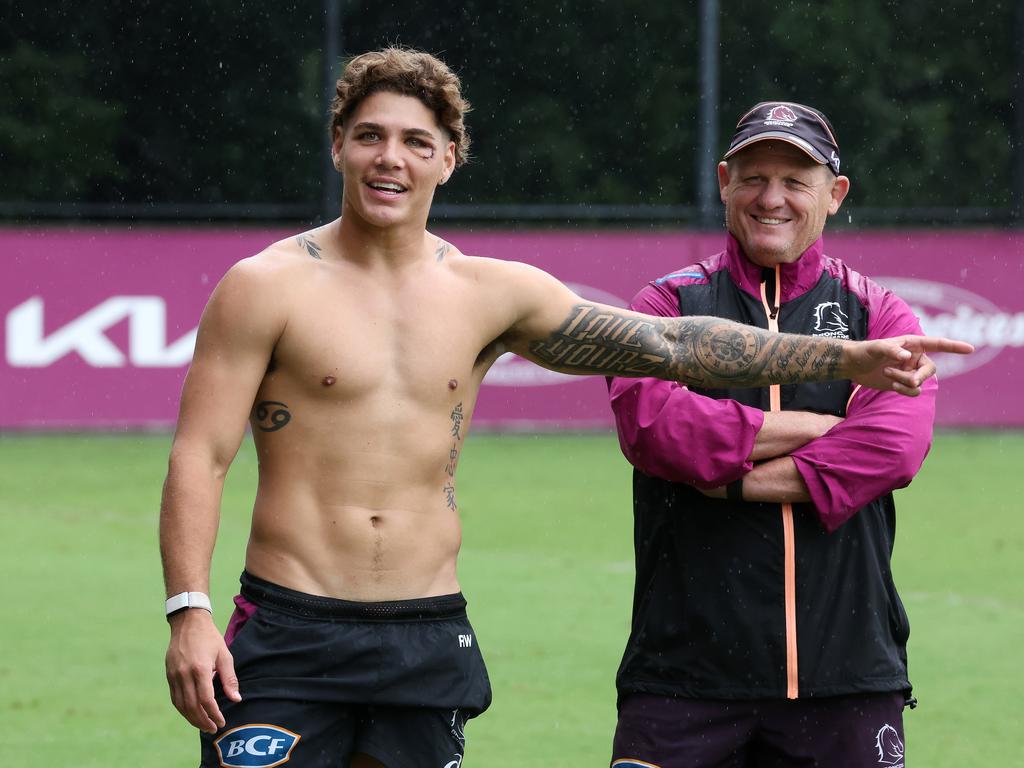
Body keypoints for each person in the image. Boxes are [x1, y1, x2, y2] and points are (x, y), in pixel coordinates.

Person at [160, 52, 967, 768]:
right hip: (289, 625)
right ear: (338, 144)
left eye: (414, 142)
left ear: (448, 158)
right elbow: (201, 455)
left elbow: (672, 349)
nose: (389, 158)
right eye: (370, 135)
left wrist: (840, 356)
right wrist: (188, 612)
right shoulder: (265, 286)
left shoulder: (492, 294)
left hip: (426, 629)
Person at [607, 101, 941, 768]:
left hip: (846, 679)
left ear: (835, 194)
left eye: (796, 180)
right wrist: (815, 427)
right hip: (682, 680)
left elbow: (892, 449)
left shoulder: (879, 313)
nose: (773, 198)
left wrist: (723, 481)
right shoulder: (664, 305)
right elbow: (654, 428)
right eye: (755, 177)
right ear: (724, 180)